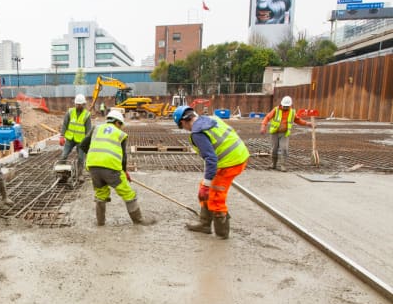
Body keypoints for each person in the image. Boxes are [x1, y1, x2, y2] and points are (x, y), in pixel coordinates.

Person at [173, 106, 249, 239]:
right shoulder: (211, 118)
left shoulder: (197, 133)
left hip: (230, 163)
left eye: (181, 126)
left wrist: (207, 186)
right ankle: (205, 224)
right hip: (238, 155)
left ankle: (222, 234)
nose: (184, 129)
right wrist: (205, 185)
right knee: (205, 187)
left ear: (183, 122)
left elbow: (211, 158)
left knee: (215, 196)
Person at [80, 109, 155, 226]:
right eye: (121, 125)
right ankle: (139, 220)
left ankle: (100, 223)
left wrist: (95, 155)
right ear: (117, 122)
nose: (121, 128)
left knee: (100, 194)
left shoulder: (96, 128)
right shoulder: (120, 134)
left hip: (93, 166)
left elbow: (83, 145)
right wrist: (124, 171)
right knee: (128, 193)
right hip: (111, 168)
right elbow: (123, 157)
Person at [260, 95, 313, 171]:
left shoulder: (292, 112)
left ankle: (283, 165)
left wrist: (307, 123)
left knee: (284, 149)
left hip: (284, 133)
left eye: (287, 106)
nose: (285, 107)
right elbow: (267, 117)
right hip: (274, 133)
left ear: (290, 105)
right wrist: (263, 126)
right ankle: (273, 164)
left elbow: (298, 120)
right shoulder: (276, 110)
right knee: (274, 149)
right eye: (284, 106)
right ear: (281, 104)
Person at [59, 93, 91, 182]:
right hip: (70, 139)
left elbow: (88, 130)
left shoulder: (86, 115)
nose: (79, 106)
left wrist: (88, 142)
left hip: (81, 140)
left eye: (80, 104)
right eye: (77, 104)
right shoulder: (70, 112)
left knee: (81, 158)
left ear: (83, 104)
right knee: (64, 156)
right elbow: (65, 125)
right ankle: (62, 173)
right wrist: (62, 136)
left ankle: (80, 174)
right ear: (75, 104)